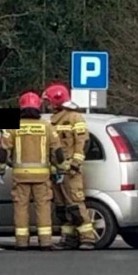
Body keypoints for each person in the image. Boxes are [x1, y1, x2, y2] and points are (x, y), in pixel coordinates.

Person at [0, 90, 64, 250]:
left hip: (20, 176)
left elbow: (3, 151)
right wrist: (60, 169)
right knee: (43, 207)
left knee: (21, 207)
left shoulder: (12, 125)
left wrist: (0, 169)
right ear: (38, 107)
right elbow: (58, 152)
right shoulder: (47, 126)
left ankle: (21, 242)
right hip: (42, 176)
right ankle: (46, 242)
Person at [43, 82, 96, 250]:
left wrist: (75, 164)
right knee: (61, 207)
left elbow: (83, 142)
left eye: (49, 101)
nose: (47, 105)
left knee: (75, 204)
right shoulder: (52, 120)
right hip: (57, 171)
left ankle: (87, 238)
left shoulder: (75, 118)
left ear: (57, 101)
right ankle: (69, 238)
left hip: (70, 172)